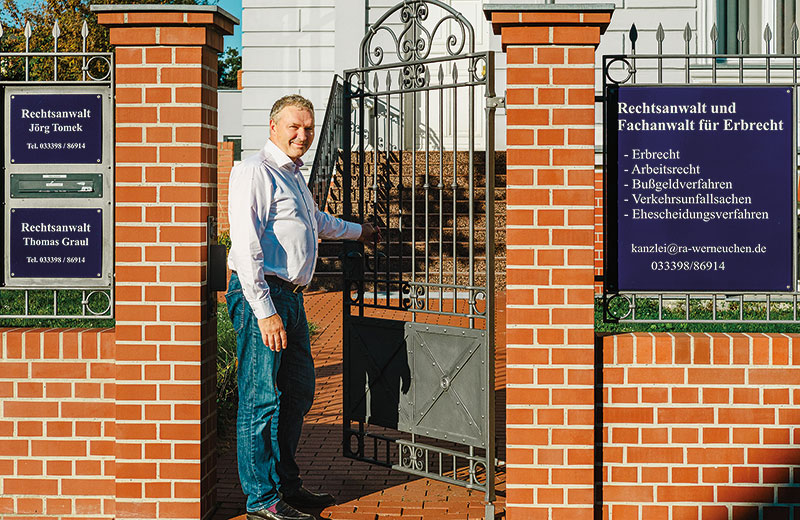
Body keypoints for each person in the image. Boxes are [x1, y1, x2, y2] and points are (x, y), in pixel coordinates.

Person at [226, 94, 380, 520]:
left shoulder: (292, 176)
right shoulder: (254, 171)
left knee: (298, 392)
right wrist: (263, 310)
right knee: (260, 400)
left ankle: (286, 487)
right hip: (265, 297)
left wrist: (359, 232)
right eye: (295, 126)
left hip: (291, 299)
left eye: (309, 128)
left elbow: (317, 222)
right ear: (273, 127)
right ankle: (261, 501)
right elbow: (245, 245)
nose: (303, 134)